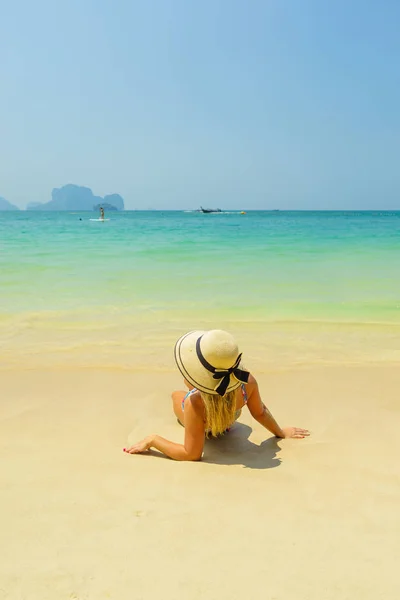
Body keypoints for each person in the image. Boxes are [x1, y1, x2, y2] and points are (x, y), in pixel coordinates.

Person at [124, 329, 309, 461]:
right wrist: (281, 433)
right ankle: (222, 424)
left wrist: (153, 440)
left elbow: (191, 454)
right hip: (228, 419)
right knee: (195, 394)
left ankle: (187, 399)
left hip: (203, 421)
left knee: (176, 394)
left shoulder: (194, 402)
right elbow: (260, 412)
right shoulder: (247, 381)